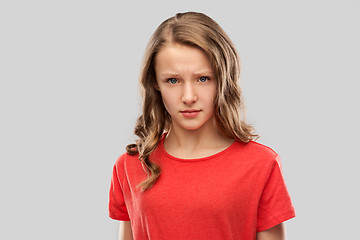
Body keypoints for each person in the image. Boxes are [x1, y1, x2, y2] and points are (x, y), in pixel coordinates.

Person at [109, 11, 295, 240]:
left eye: (203, 78)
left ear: (223, 79)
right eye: (173, 80)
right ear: (154, 82)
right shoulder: (128, 165)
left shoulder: (261, 165)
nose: (188, 96)